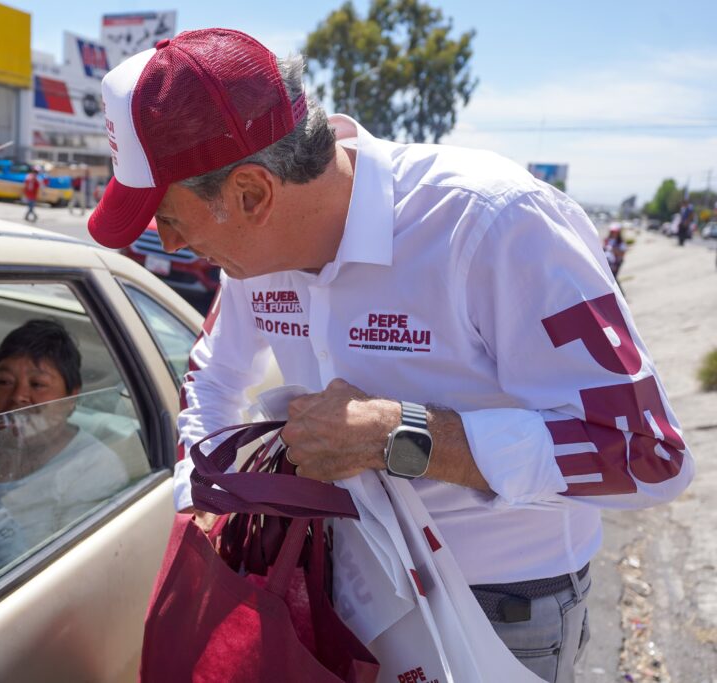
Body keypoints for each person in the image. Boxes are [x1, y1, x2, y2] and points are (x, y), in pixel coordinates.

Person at [86, 28, 694, 683]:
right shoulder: (249, 259)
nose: (164, 240)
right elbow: (212, 377)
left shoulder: (491, 222)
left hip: (498, 615)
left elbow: (650, 455)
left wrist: (406, 435)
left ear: (253, 193)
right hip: (338, 589)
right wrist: (201, 497)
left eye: (169, 217)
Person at [0, 319, 128, 597]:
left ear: (72, 398)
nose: (19, 396)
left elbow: (61, 582)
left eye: (38, 384)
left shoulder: (93, 468)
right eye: (4, 382)